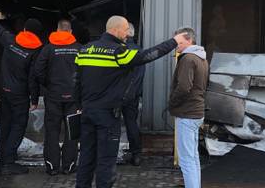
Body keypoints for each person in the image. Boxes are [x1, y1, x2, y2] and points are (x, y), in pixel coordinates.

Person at [74, 16, 190, 188]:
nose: (128, 33)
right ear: (116, 29)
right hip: (107, 116)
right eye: (126, 29)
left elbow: (76, 82)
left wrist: (78, 106)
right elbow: (147, 56)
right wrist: (174, 41)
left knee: (86, 157)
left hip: (87, 113)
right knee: (106, 162)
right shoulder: (118, 52)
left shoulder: (84, 50)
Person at [0, 9, 43, 175]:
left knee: (5, 125)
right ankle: (8, 162)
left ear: (24, 30)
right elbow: (32, 79)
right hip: (20, 95)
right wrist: (34, 99)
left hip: (5, 91)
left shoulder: (10, 41)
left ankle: (1, 162)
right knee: (18, 126)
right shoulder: (36, 51)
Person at [34, 18, 81, 175]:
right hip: (74, 98)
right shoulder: (79, 49)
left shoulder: (48, 49)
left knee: (52, 131)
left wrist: (48, 84)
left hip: (53, 96)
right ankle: (69, 166)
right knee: (72, 132)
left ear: (57, 30)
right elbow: (86, 72)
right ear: (71, 32)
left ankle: (52, 167)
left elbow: (38, 70)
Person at [168, 27, 208, 188]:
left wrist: (172, 103)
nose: (176, 44)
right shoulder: (201, 58)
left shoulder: (188, 59)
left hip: (187, 113)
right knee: (193, 157)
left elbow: (184, 87)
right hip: (196, 112)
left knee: (186, 159)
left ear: (189, 41)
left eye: (179, 41)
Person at [120, 22, 143, 166]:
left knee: (112, 124)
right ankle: (136, 154)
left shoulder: (118, 49)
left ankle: (112, 152)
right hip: (133, 95)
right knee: (131, 124)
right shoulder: (139, 51)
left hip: (116, 94)